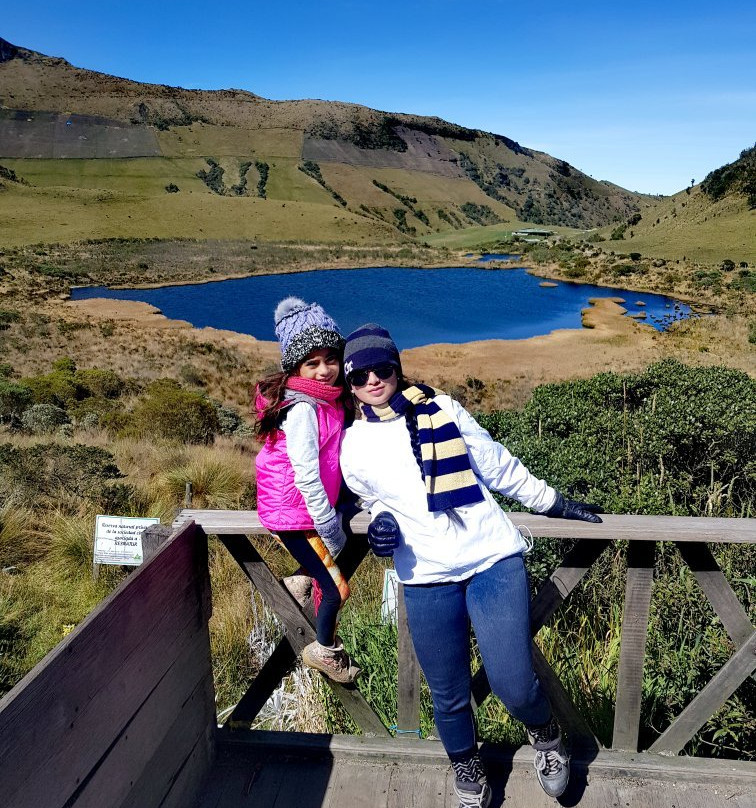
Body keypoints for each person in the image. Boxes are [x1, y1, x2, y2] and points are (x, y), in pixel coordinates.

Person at [339, 323, 602, 806]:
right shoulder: (353, 444)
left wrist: (553, 502)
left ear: (397, 368)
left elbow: (496, 464)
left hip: (490, 557)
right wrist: (378, 522)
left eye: (383, 369)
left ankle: (546, 737)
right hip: (425, 574)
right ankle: (467, 767)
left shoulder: (441, 408)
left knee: (513, 680)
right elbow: (370, 497)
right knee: (448, 692)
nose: (373, 381)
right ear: (350, 385)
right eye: (360, 376)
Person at [254, 297, 359, 683]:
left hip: (302, 510)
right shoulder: (302, 410)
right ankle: (323, 651)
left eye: (330, 359)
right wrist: (329, 524)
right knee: (336, 590)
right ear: (295, 367)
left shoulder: (328, 402)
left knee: (326, 570)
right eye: (311, 363)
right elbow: (306, 476)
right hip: (294, 515)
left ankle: (298, 580)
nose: (324, 370)